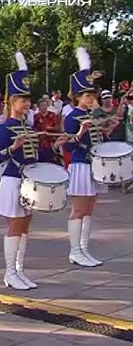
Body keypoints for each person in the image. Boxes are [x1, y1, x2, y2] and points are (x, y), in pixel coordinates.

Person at [0, 52, 67, 291]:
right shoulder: (6, 128)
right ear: (11, 102)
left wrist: (55, 146)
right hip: (13, 181)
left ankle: (20, 270)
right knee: (15, 228)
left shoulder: (28, 126)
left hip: (29, 182)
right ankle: (9, 273)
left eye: (27, 100)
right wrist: (13, 146)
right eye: (21, 100)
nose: (26, 104)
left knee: (25, 228)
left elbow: (35, 157)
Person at [64, 47, 120, 268]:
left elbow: (100, 137)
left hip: (95, 165)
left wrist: (107, 128)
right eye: (87, 96)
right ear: (78, 96)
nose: (91, 99)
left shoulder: (93, 114)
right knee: (78, 209)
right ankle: (74, 250)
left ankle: (84, 249)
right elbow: (68, 145)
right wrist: (80, 132)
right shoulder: (72, 116)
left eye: (93, 95)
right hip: (80, 165)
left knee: (89, 210)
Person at [33, 96, 60, 163]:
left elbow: (57, 127)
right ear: (38, 107)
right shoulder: (36, 117)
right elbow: (34, 129)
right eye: (42, 105)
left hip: (51, 141)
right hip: (40, 142)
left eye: (45, 105)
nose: (44, 107)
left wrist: (49, 129)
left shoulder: (52, 115)